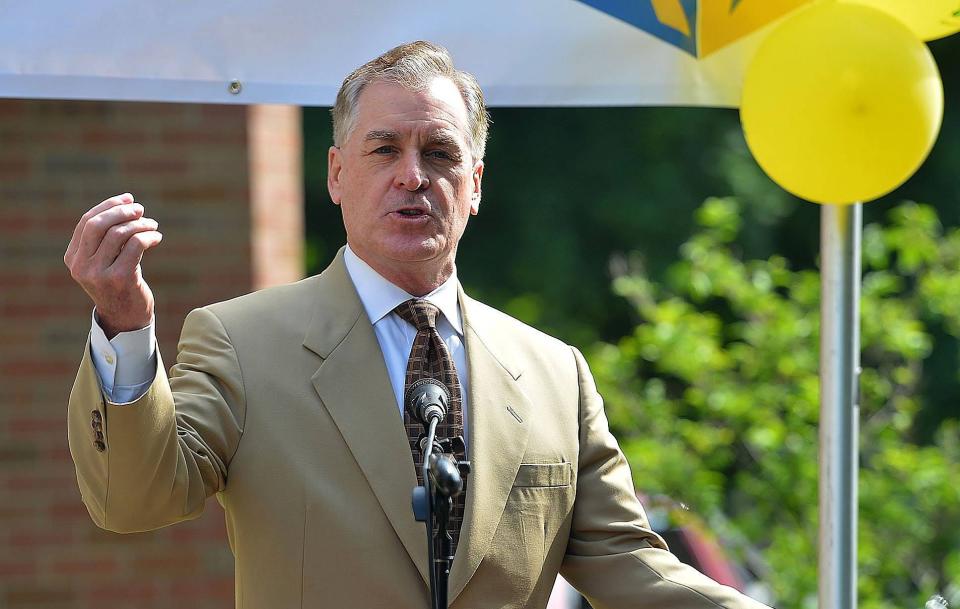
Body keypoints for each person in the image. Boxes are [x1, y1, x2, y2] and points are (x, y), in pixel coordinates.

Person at [64, 41, 772, 609]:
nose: (413, 175)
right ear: (337, 174)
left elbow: (626, 561)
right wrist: (126, 328)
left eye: (439, 152)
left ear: (476, 184)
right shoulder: (244, 343)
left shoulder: (556, 371)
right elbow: (136, 499)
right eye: (384, 150)